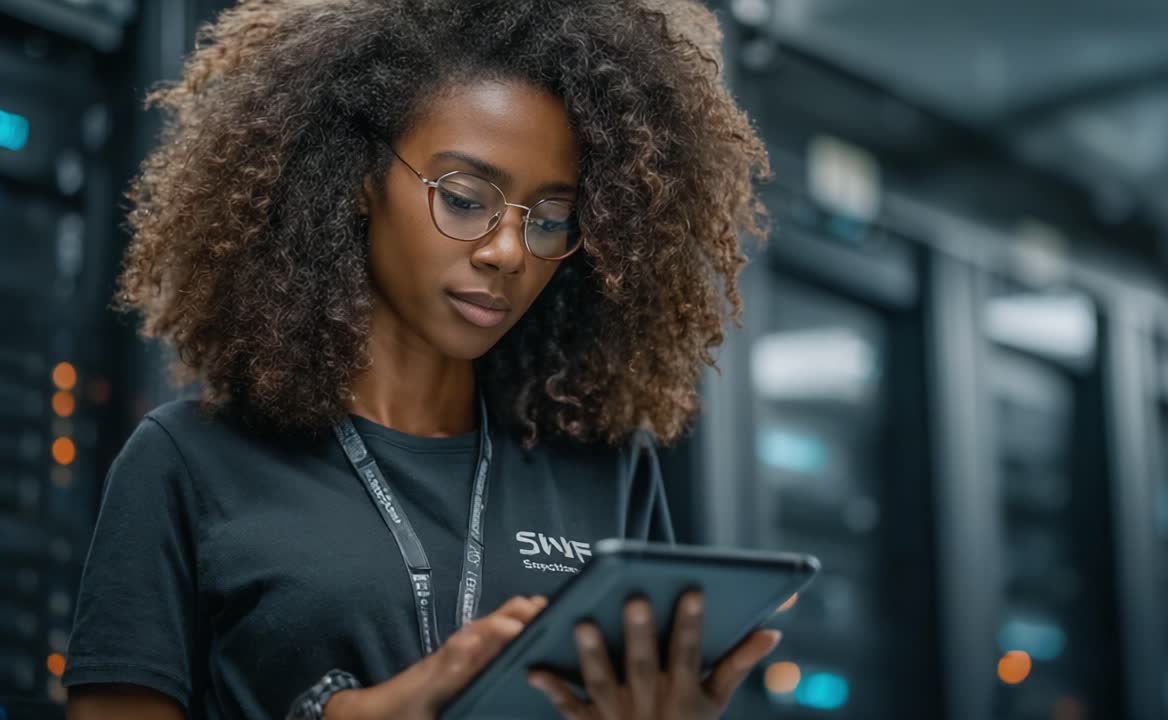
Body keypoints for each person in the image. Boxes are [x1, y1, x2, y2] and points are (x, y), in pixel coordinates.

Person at [63, 0, 774, 718]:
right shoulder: (189, 462)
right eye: (465, 200)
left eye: (551, 219)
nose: (507, 252)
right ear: (359, 178)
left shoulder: (608, 469)